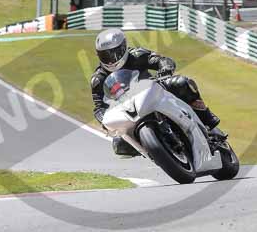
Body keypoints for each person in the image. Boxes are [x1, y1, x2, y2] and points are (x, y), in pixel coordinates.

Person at [91, 28, 221, 157]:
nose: (110, 60)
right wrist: (103, 120)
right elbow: (99, 107)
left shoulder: (137, 55)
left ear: (123, 47)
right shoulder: (98, 79)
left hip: (153, 90)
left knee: (182, 83)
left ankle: (208, 121)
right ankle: (154, 151)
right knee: (119, 144)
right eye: (105, 55)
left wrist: (165, 68)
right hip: (128, 110)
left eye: (114, 53)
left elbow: (161, 60)